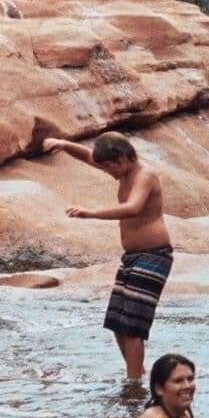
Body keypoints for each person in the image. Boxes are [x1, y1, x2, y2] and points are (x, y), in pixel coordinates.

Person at [43, 132, 172, 383]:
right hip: (132, 256)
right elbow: (89, 157)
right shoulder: (123, 169)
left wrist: (91, 213)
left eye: (110, 167)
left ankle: (134, 382)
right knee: (116, 320)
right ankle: (137, 374)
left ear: (124, 157)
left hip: (153, 256)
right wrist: (63, 144)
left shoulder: (144, 175)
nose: (108, 172)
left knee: (132, 325)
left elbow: (133, 208)